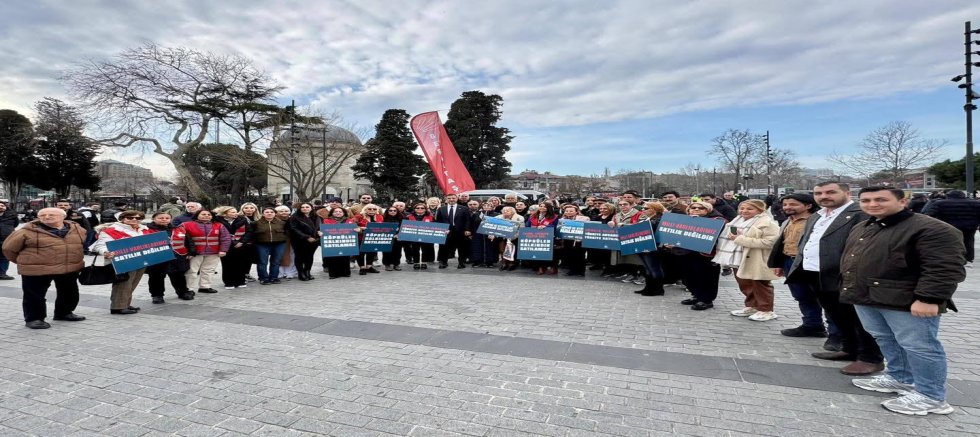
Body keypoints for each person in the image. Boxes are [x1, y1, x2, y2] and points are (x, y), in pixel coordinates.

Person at [843, 186, 965, 416]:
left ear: (902, 202)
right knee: (885, 337)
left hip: (906, 300)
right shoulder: (866, 225)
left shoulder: (931, 228)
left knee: (920, 346)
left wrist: (929, 298)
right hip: (868, 296)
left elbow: (944, 267)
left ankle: (931, 396)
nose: (872, 204)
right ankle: (900, 377)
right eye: (866, 200)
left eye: (881, 199)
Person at [785, 182, 884, 376]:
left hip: (844, 275)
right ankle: (849, 348)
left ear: (847, 192)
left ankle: (870, 357)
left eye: (830, 192)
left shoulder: (860, 214)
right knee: (837, 315)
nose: (824, 196)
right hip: (815, 273)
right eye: (819, 193)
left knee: (857, 317)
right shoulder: (818, 215)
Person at [2, 207, 88, 328]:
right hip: (37, 269)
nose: (46, 217)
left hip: (68, 268)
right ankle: (34, 319)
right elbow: (8, 249)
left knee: (69, 292)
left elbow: (83, 243)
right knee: (34, 295)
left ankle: (64, 313)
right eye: (42, 215)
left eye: (51, 215)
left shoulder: (77, 229)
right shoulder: (25, 231)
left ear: (63, 217)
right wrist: (25, 262)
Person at [768, 193, 833, 337]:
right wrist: (780, 263)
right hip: (789, 261)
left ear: (808, 205)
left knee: (825, 299)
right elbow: (782, 243)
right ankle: (812, 325)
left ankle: (836, 333)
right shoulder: (787, 221)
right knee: (802, 295)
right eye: (785, 204)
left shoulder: (818, 221)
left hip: (810, 263)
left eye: (793, 204)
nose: (787, 207)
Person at [714, 199, 781, 321]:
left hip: (756, 259)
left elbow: (770, 242)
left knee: (760, 284)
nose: (744, 211)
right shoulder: (736, 221)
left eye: (750, 209)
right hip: (737, 258)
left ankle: (766, 310)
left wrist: (740, 239)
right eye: (742, 208)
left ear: (760, 210)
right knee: (745, 285)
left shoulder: (767, 223)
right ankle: (752, 306)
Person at [89, 210, 152, 315]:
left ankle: (125, 303)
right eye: (130, 218)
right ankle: (118, 307)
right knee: (123, 284)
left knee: (132, 283)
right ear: (122, 218)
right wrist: (105, 252)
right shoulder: (111, 230)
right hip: (121, 261)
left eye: (138, 218)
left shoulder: (144, 229)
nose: (134, 220)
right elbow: (100, 245)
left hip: (140, 260)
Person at [674, 201, 726, 310]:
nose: (696, 209)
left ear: (708, 210)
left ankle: (706, 300)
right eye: (693, 207)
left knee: (706, 277)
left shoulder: (717, 220)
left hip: (706, 255)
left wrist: (700, 222)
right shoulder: (684, 220)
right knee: (689, 276)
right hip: (687, 253)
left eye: (701, 208)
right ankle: (696, 296)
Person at [172, 209, 230, 294]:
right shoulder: (186, 225)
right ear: (197, 215)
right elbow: (179, 238)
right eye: (203, 214)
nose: (206, 216)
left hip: (213, 252)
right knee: (191, 271)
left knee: (209, 270)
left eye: (209, 214)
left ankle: (205, 287)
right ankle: (189, 288)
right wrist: (185, 251)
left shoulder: (219, 225)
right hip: (194, 253)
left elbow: (226, 238)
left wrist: (223, 250)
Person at [923, 190, 980, 267]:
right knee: (968, 242)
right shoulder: (976, 203)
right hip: (969, 226)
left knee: (949, 242)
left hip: (948, 226)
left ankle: (951, 259)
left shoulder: (940, 203)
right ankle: (968, 259)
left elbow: (930, 214)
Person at [145, 212, 192, 303]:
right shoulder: (146, 229)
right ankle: (157, 295)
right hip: (157, 258)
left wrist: (191, 252)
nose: (164, 220)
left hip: (177, 257)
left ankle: (182, 292)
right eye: (161, 218)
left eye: (167, 218)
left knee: (178, 276)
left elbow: (188, 241)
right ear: (154, 219)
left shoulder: (179, 228)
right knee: (156, 277)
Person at [241, 207, 288, 284]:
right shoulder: (255, 223)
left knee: (276, 261)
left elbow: (287, 233)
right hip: (262, 244)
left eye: (272, 212)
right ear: (263, 214)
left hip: (279, 244)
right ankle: (263, 278)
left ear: (275, 214)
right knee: (262, 262)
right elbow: (250, 233)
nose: (269, 213)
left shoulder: (282, 223)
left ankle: (274, 277)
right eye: (267, 212)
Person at [214, 206, 251, 289]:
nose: (236, 213)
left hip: (240, 244)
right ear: (225, 213)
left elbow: (249, 231)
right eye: (232, 212)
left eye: (236, 211)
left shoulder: (243, 219)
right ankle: (229, 282)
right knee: (227, 264)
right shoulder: (218, 220)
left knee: (240, 263)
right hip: (225, 245)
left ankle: (240, 281)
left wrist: (242, 242)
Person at [633, 201, 666, 296]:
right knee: (648, 268)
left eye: (646, 208)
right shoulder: (648, 219)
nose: (643, 210)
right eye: (642, 208)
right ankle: (649, 287)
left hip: (653, 247)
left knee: (654, 268)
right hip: (645, 246)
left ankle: (658, 289)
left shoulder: (658, 220)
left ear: (655, 210)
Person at [287, 203, 320, 281]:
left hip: (314, 240)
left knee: (310, 256)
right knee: (299, 257)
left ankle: (307, 271)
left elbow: (319, 227)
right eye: (303, 207)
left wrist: (319, 233)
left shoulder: (316, 217)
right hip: (299, 240)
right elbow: (294, 229)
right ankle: (300, 273)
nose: (305, 208)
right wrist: (307, 237)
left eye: (307, 207)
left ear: (311, 208)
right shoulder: (294, 217)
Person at [436, 194, 470, 269]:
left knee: (461, 247)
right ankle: (443, 262)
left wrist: (467, 229)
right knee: (444, 247)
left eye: (453, 198)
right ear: (446, 199)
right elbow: (439, 220)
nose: (451, 199)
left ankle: (461, 262)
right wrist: (442, 229)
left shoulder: (464, 208)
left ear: (457, 199)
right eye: (449, 198)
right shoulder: (441, 209)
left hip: (460, 231)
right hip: (446, 231)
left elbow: (467, 220)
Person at [319, 206, 354, 278]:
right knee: (332, 257)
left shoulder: (349, 221)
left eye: (340, 211)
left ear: (344, 213)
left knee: (345, 257)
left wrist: (358, 229)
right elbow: (322, 229)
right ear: (332, 213)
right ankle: (333, 274)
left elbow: (355, 229)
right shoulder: (326, 221)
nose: (338, 213)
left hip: (345, 242)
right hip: (332, 241)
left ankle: (345, 273)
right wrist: (320, 232)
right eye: (336, 211)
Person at [558, 204, 590, 276]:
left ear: (576, 212)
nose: (568, 212)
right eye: (566, 211)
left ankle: (581, 272)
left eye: (571, 211)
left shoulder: (583, 218)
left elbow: (587, 226)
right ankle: (572, 270)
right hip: (567, 239)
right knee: (569, 254)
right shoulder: (562, 219)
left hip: (579, 240)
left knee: (580, 255)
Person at [528, 202, 559, 275]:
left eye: (544, 206)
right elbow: (527, 225)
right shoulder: (533, 216)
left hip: (549, 237)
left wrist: (546, 227)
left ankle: (553, 267)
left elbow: (556, 227)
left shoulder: (554, 217)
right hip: (535, 237)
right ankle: (541, 267)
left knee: (551, 253)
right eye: (540, 206)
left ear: (548, 208)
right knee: (538, 252)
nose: (542, 208)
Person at [352, 204, 383, 275]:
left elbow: (382, 226)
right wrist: (361, 228)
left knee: (371, 252)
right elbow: (352, 226)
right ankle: (362, 267)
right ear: (365, 209)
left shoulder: (379, 217)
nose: (372, 210)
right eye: (369, 209)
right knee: (360, 253)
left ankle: (369, 267)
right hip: (361, 237)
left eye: (374, 209)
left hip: (373, 238)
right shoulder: (359, 216)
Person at [406, 203, 436, 269]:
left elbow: (436, 227)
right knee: (415, 250)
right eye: (418, 208)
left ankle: (424, 262)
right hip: (413, 237)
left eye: (422, 208)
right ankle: (416, 262)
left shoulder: (431, 217)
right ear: (414, 209)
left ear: (425, 209)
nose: (420, 209)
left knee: (425, 250)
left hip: (426, 237)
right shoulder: (408, 217)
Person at [469, 201, 498, 268]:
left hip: (490, 234)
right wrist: (471, 233)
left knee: (490, 248)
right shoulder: (477, 214)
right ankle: (477, 261)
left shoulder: (496, 214)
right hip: (478, 234)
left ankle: (490, 262)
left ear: (492, 206)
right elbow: (472, 224)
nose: (486, 207)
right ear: (482, 206)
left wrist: (495, 234)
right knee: (477, 248)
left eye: (489, 205)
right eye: (485, 205)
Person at [274, 206, 298, 280]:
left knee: (291, 256)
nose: (284, 212)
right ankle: (280, 272)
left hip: (292, 240)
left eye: (286, 211)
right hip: (278, 240)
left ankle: (290, 272)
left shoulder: (293, 219)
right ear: (276, 212)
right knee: (279, 256)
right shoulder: (274, 220)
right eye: (281, 211)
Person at [381, 205, 405, 271]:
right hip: (386, 238)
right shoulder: (383, 219)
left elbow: (403, 228)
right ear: (387, 211)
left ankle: (396, 264)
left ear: (397, 212)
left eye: (394, 211)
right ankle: (387, 264)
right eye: (390, 210)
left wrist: (399, 234)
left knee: (397, 252)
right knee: (386, 252)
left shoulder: (401, 219)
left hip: (397, 238)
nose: (392, 212)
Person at [0, 200, 18, 280]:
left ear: (6, 207)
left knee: (4, 257)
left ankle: (2, 274)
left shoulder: (11, 215)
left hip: (6, 239)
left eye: (2, 205)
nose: (1, 207)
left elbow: (16, 224)